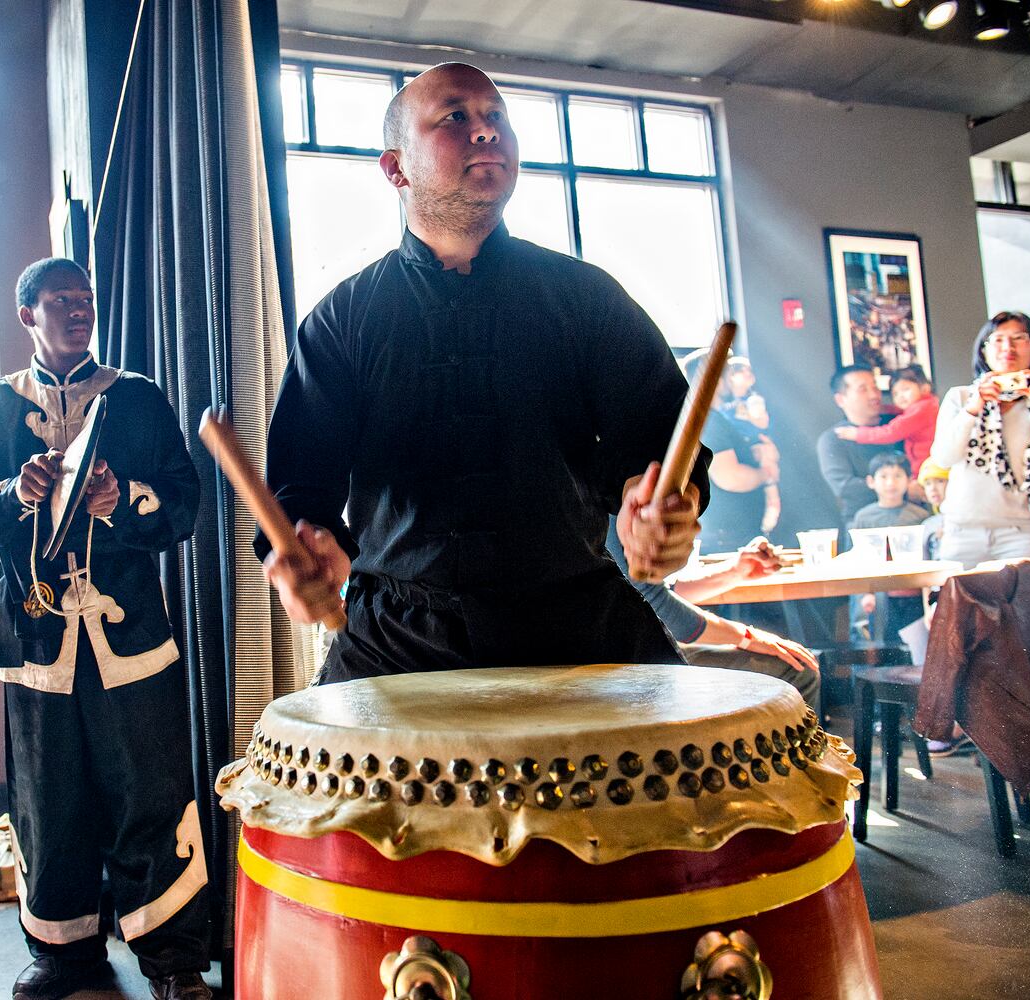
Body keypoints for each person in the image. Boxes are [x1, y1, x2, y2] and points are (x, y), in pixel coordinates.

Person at [260, 62, 707, 682]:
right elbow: (300, 488)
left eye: (496, 116)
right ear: (396, 169)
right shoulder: (344, 319)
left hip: (578, 624)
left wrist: (661, 503)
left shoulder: (586, 298)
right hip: (397, 640)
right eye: (455, 116)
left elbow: (658, 442)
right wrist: (307, 549)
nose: (486, 129)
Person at [0, 258, 211, 1000]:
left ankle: (174, 961)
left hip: (131, 637)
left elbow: (184, 504)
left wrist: (124, 500)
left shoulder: (138, 398)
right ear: (27, 314)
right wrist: (11, 494)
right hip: (33, 640)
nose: (79, 310)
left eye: (86, 298)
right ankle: (64, 954)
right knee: (46, 802)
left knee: (151, 794)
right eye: (61, 299)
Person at [605, 523, 820, 707]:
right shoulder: (612, 500)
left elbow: (654, 590)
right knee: (798, 671)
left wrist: (735, 571)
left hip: (625, 651)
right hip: (622, 663)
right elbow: (655, 606)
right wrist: (746, 637)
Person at [929, 310, 1030, 589]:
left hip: (1026, 529)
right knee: (962, 612)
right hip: (963, 530)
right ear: (984, 350)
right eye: (999, 340)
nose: (1008, 348)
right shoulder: (961, 397)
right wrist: (973, 408)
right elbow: (943, 457)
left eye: (1019, 338)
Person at [684, 349, 777, 551]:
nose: (734, 378)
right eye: (730, 371)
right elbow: (730, 477)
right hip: (728, 539)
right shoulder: (709, 421)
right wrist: (766, 474)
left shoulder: (713, 418)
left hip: (732, 535)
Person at [850, 453, 931, 643]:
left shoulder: (920, 515)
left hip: (914, 594)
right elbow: (860, 560)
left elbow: (927, 558)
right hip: (881, 597)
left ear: (909, 480)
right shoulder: (864, 517)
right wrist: (867, 593)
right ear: (871, 481)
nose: (890, 483)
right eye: (883, 476)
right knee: (884, 644)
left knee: (917, 644)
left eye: (897, 476)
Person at [817, 365, 904, 533]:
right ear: (841, 400)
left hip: (910, 520)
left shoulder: (898, 426)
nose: (874, 395)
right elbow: (846, 487)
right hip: (863, 527)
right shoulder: (833, 439)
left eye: (875, 387)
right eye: (863, 389)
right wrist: (903, 489)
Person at [833, 365, 938, 478]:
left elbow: (891, 432)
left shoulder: (921, 410)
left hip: (928, 467)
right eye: (895, 394)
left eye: (905, 389)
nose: (900, 396)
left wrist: (857, 434)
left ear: (925, 389)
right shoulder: (925, 406)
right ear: (840, 399)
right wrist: (886, 409)